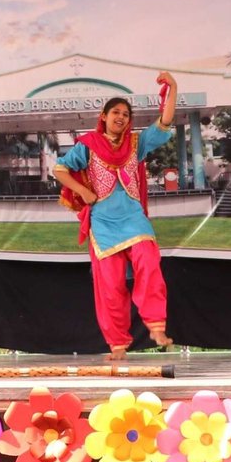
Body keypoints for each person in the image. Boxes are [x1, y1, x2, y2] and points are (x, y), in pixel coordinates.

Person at [53, 73, 180, 360]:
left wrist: (173, 88)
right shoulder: (88, 145)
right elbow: (59, 169)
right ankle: (118, 344)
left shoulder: (136, 143)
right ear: (104, 116)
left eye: (125, 114)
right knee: (110, 285)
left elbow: (164, 122)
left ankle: (156, 325)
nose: (121, 117)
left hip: (133, 219)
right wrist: (82, 191)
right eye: (116, 112)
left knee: (149, 263)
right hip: (103, 224)